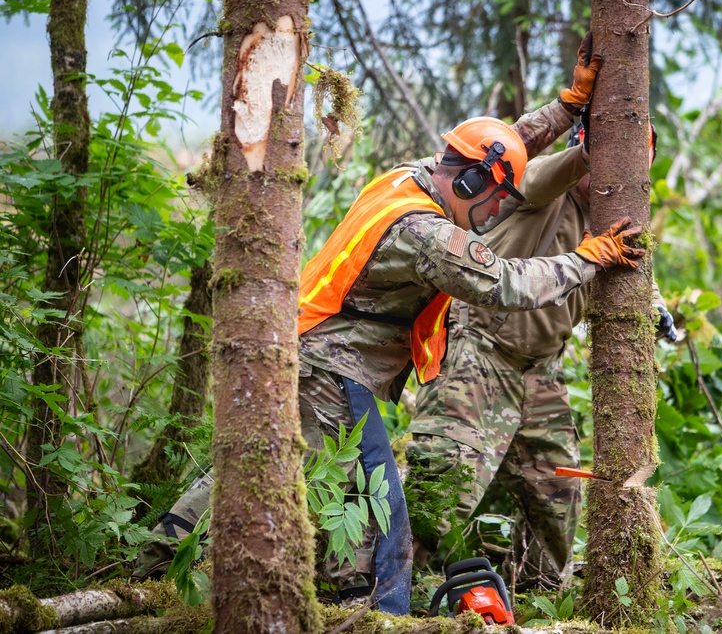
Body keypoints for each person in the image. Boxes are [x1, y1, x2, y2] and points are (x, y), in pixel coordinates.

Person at [133, 35, 645, 614]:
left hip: (312, 354)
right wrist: (587, 258)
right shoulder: (425, 235)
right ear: (473, 184)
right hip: (334, 371)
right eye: (494, 201)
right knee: (377, 513)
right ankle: (369, 611)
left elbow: (508, 147)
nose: (498, 213)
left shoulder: (414, 178)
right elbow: (507, 285)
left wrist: (569, 105)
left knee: (273, 466)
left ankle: (159, 565)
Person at [404, 118, 676, 591]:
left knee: (558, 503)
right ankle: (375, 598)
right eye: (608, 160)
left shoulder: (618, 218)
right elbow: (535, 176)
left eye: (637, 164)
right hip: (478, 354)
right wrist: (590, 151)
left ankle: (532, 603)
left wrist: (655, 309)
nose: (618, 175)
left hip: (540, 372)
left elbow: (638, 277)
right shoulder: (542, 187)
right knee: (439, 501)